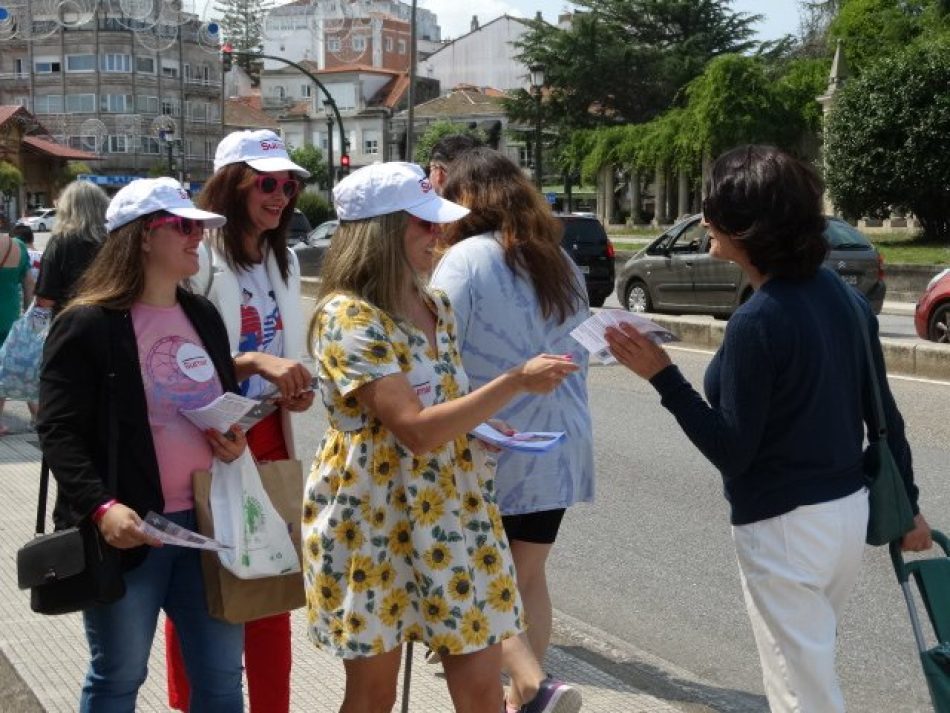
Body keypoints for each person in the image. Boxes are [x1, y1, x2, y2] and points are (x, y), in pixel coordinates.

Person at [604, 145, 933, 713]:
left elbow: (733, 451)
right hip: (845, 513)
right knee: (811, 668)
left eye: (713, 207)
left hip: (784, 528)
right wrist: (910, 505)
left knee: (801, 693)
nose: (703, 217)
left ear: (744, 227)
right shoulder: (841, 296)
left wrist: (663, 377)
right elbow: (884, 411)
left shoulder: (759, 321)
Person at [305, 161, 579, 713]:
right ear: (380, 233)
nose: (439, 233)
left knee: (481, 692)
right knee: (373, 697)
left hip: (454, 514)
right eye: (424, 224)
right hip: (373, 520)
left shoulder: (437, 305)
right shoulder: (348, 317)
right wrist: (513, 382)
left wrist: (476, 426)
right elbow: (412, 428)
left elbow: (439, 409)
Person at [36, 177, 247, 712]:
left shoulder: (202, 315)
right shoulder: (86, 324)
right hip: (130, 535)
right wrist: (102, 508)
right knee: (119, 677)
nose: (197, 236)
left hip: (206, 527)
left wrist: (230, 438)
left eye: (198, 226)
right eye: (183, 226)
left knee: (222, 682)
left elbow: (217, 400)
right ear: (142, 237)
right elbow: (59, 431)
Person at [431, 148, 593, 713]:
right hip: (558, 444)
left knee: (481, 579)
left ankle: (526, 687)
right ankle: (533, 689)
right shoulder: (559, 260)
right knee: (528, 577)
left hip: (490, 441)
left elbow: (437, 352)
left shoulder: (464, 260)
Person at [164, 129, 314, 713]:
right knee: (207, 584)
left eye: (290, 184)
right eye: (268, 183)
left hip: (268, 434)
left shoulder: (287, 258)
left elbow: (289, 349)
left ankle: (273, 706)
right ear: (233, 185)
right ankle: (193, 703)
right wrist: (251, 362)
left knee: (273, 580)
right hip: (206, 440)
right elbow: (170, 359)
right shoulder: (197, 256)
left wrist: (296, 387)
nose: (281, 196)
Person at [35, 180, 109, 316]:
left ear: (66, 209)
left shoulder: (60, 242)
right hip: (112, 326)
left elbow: (46, 299)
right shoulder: (114, 241)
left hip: (70, 326)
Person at [0, 224, 35, 435]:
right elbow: (29, 284)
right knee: (8, 368)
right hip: (11, 318)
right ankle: (38, 416)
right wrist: (28, 316)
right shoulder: (18, 246)